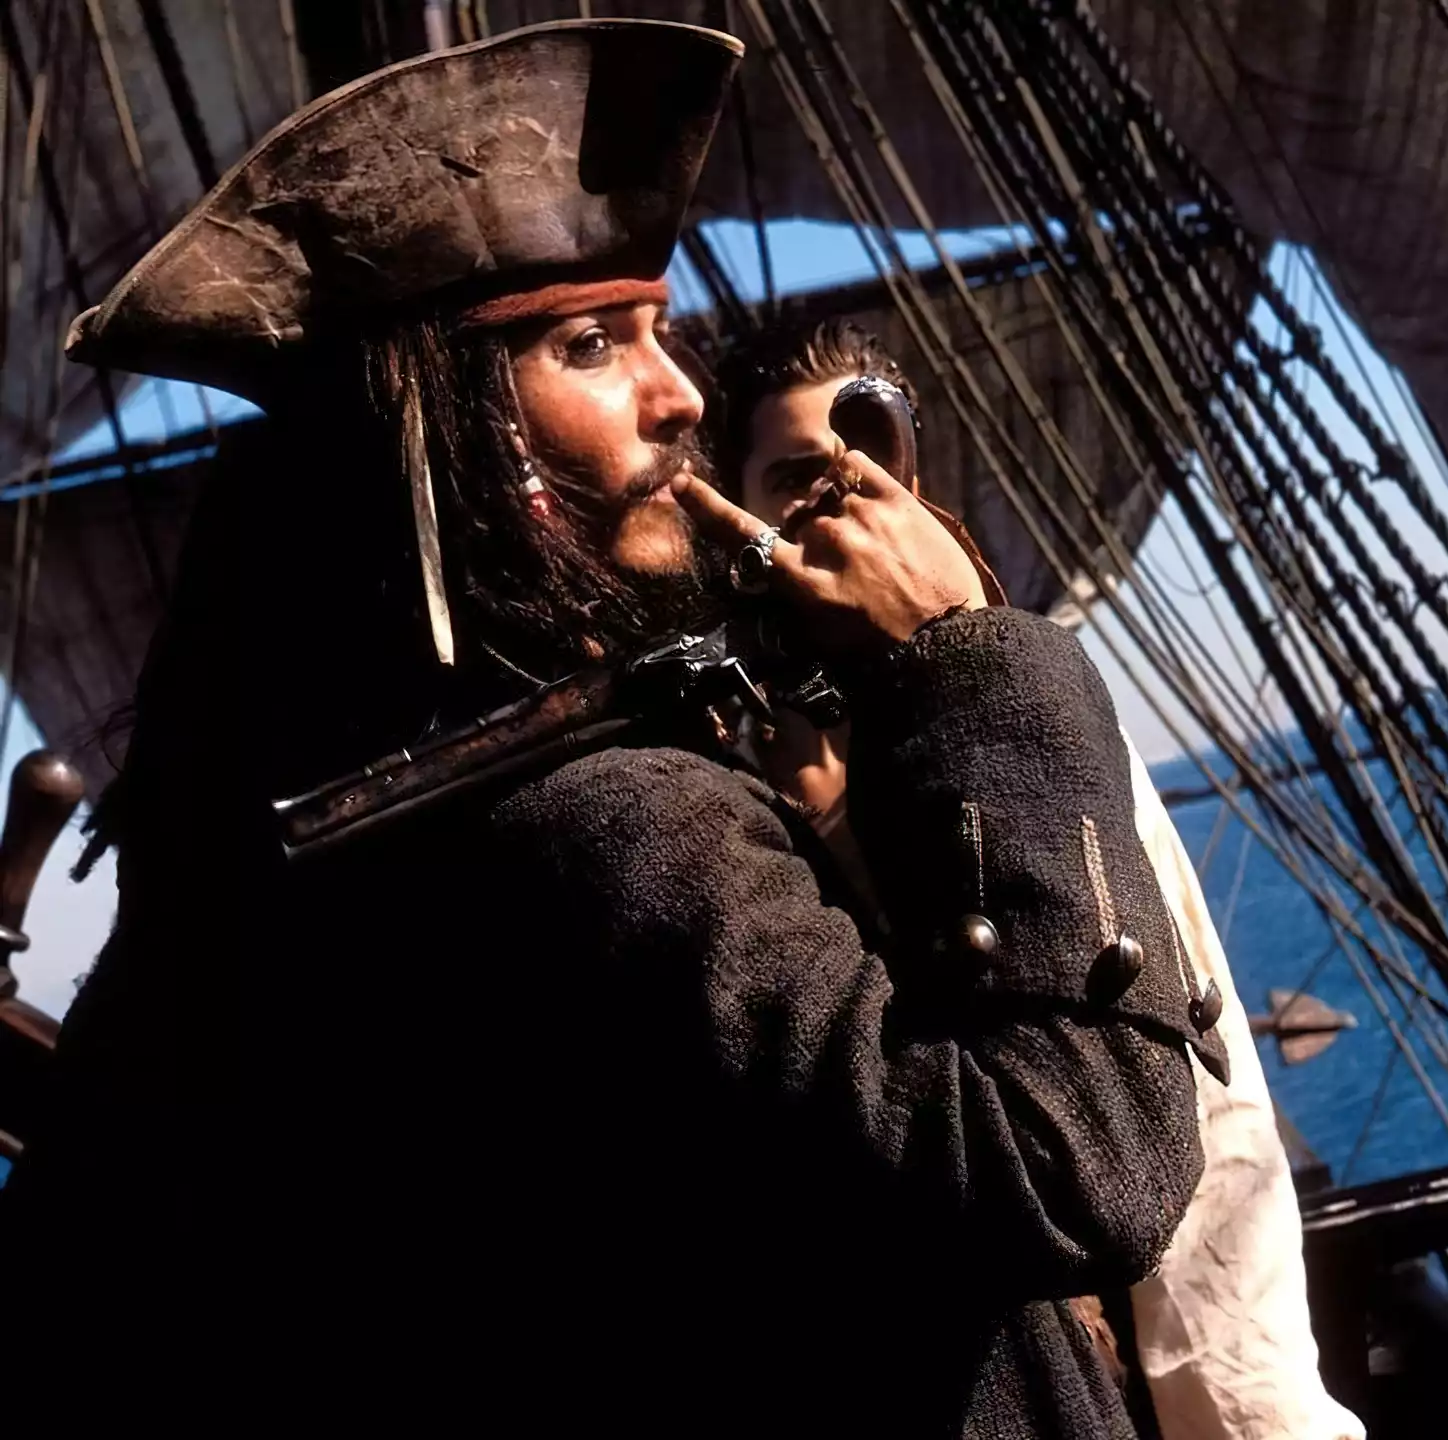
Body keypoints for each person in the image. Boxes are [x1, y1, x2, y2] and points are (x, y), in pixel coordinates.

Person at [0, 20, 1220, 1434]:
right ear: (451, 434)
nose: (681, 394)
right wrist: (963, 660)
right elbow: (1070, 1171)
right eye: (591, 345)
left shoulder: (296, 844)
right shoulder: (606, 827)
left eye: (658, 333)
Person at [718, 318, 1366, 1440]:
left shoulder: (1025, 724)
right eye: (794, 480)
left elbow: (1211, 1120)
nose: (840, 505)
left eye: (866, 463)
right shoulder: (714, 774)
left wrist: (1255, 1421)